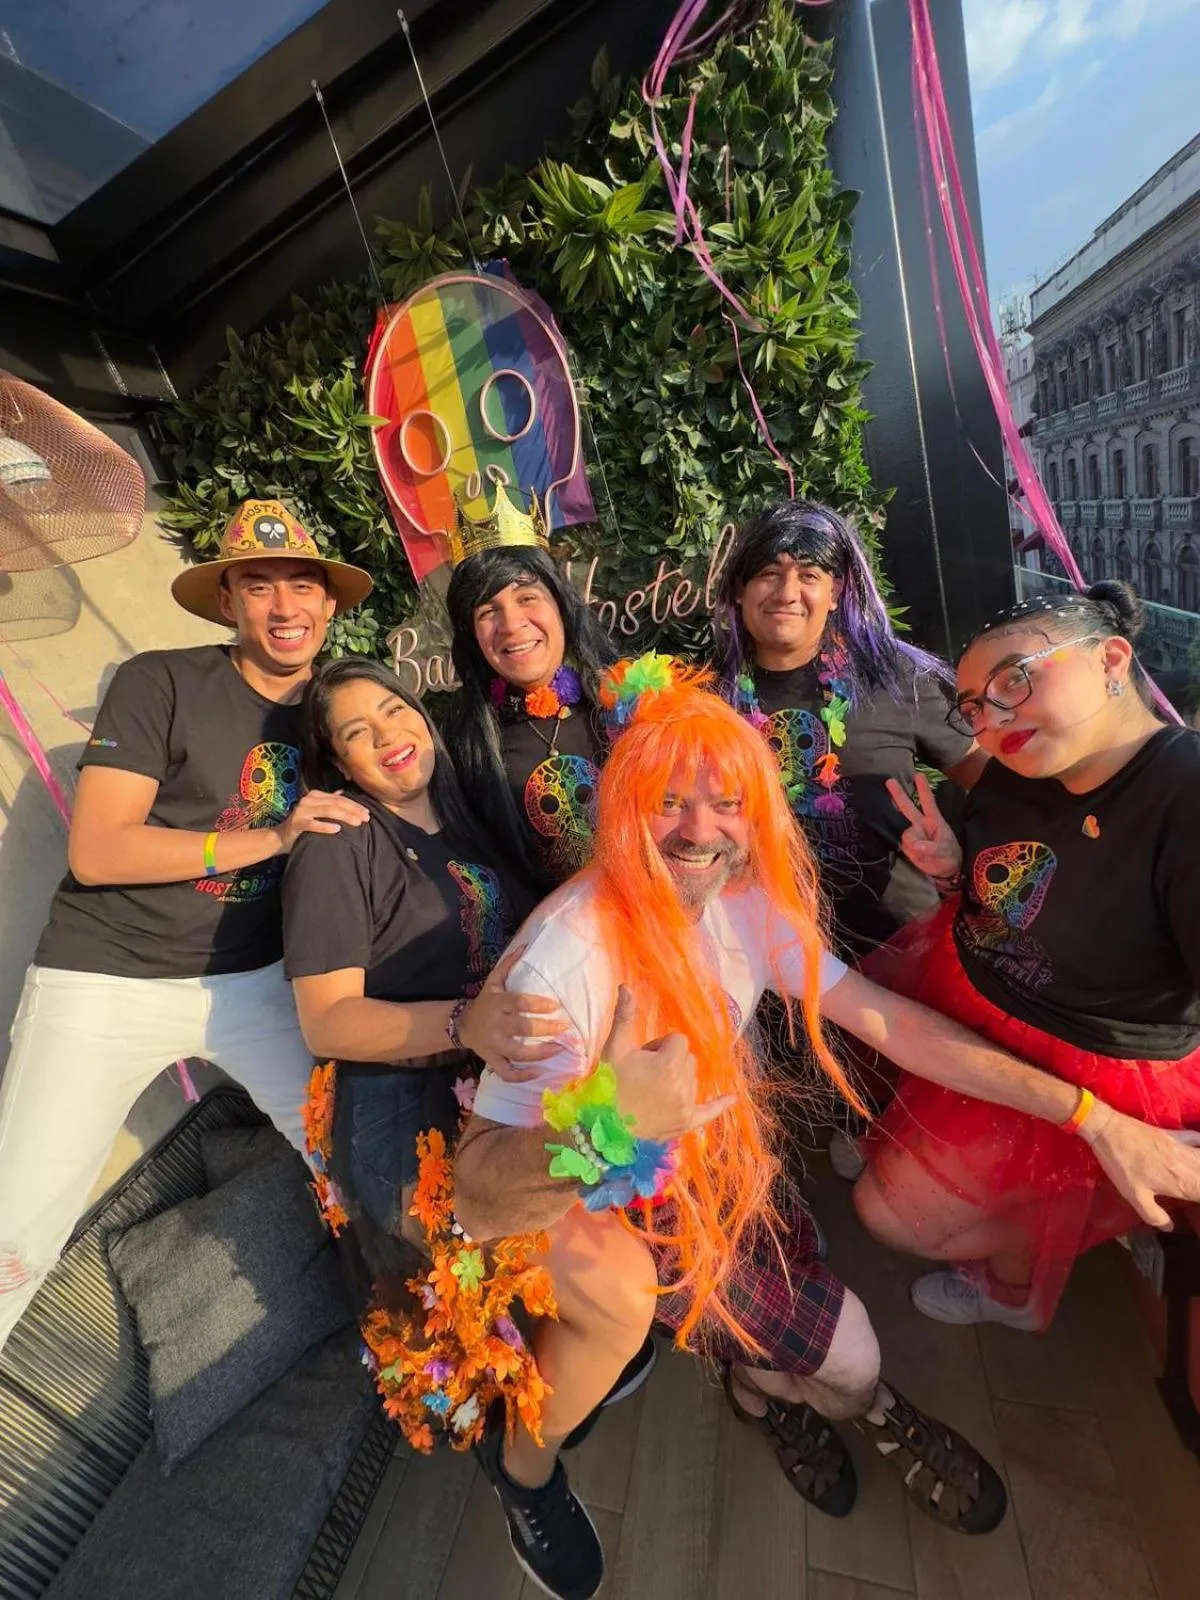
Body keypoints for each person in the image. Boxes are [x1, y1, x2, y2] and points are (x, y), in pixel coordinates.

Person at [452, 658, 1200, 1600]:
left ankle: (760, 1391)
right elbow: (478, 1196)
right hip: (628, 1218)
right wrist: (608, 1125)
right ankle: (875, 1409)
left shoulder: (745, 906)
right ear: (622, 808)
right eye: (667, 801)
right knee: (849, 1351)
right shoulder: (565, 958)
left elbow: (895, 1026)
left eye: (724, 803)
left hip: (739, 1168)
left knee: (792, 1313)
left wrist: (1093, 1117)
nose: (698, 829)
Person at [0, 499, 372, 1352]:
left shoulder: (336, 709)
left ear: (329, 604)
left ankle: (437, 1346)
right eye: (259, 586)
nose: (286, 607)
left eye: (304, 587)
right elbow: (99, 849)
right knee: (17, 1233)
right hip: (105, 978)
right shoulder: (160, 683)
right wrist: (272, 837)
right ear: (228, 604)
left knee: (356, 1161)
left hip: (252, 981)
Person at [852, 582, 1200, 1331]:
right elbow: (1023, 886)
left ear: (1112, 659)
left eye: (1016, 678)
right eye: (973, 704)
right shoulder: (1019, 768)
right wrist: (950, 866)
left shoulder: (1186, 796)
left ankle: (1016, 1283)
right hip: (974, 991)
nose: (993, 717)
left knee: (887, 1216)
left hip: (1092, 1063)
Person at [714, 500, 988, 961]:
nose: (786, 592)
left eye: (808, 575)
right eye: (768, 573)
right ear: (740, 589)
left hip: (904, 952)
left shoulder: (894, 677)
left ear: (836, 591)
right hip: (772, 958)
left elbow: (994, 782)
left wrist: (963, 858)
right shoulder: (710, 700)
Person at [446, 540, 617, 892]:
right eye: (487, 611)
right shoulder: (465, 748)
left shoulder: (627, 704)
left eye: (527, 597)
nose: (511, 624)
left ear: (560, 605)